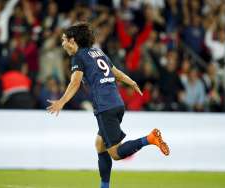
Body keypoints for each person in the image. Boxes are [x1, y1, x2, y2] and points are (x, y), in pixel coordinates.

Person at [47, 23, 170, 188]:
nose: (63, 44)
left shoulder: (79, 57)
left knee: (116, 154)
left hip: (105, 107)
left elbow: (75, 82)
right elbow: (115, 71)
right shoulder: (98, 52)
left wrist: (61, 101)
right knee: (100, 144)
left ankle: (150, 138)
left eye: (64, 40)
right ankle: (104, 186)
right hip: (117, 104)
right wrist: (132, 82)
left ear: (72, 40)